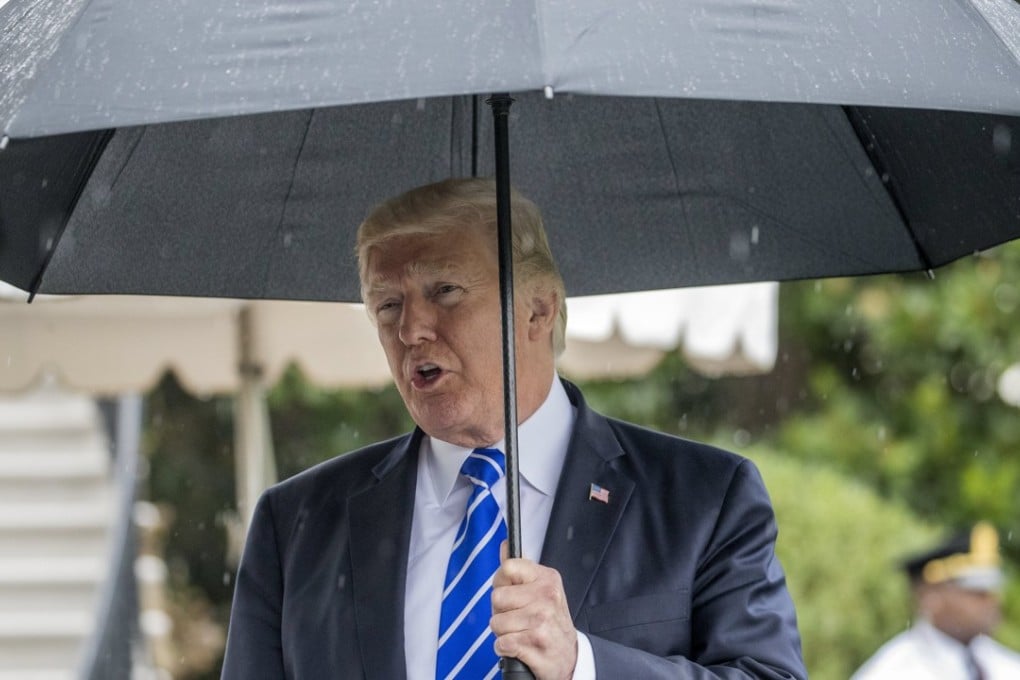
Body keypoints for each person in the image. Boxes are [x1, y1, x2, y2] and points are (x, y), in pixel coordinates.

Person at [221, 178, 806, 679]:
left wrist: (582, 663)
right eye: (387, 305)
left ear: (538, 310)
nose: (411, 330)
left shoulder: (704, 498)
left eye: (444, 290)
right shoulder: (295, 525)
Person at [852, 521, 1020, 680]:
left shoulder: (1006, 666)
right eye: (975, 591)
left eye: (991, 590)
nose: (991, 601)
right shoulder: (891, 673)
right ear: (931, 596)